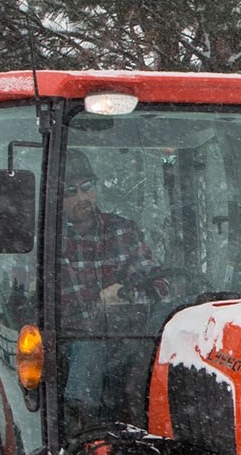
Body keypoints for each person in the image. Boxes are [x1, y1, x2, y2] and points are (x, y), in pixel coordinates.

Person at [60, 149, 168, 426]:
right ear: (57, 197)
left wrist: (125, 293)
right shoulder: (49, 241)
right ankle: (82, 425)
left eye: (87, 188)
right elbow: (38, 303)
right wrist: (94, 306)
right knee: (89, 344)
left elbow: (159, 285)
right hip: (70, 341)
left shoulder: (122, 231)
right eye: (71, 191)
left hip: (129, 337)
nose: (82, 197)